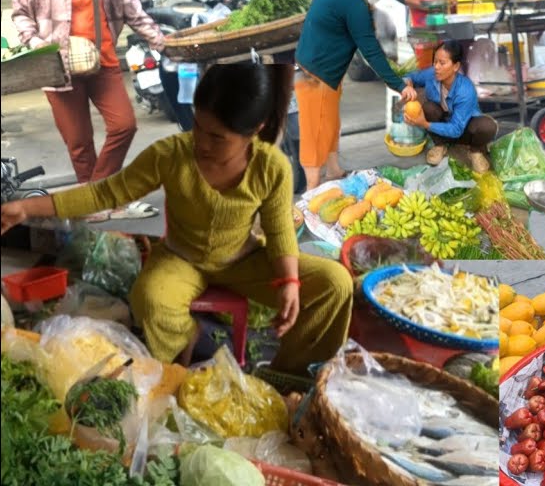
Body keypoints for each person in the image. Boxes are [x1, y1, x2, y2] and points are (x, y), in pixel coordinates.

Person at [0, 65, 354, 376]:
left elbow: (279, 232)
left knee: (335, 283)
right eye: (198, 126)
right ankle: (183, 343)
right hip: (181, 258)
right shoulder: (170, 155)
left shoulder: (270, 166)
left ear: (255, 131)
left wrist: (289, 280)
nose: (201, 142)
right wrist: (27, 208)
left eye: (218, 137)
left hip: (244, 261)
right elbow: (104, 194)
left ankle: (289, 374)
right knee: (150, 299)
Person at [12, 0, 167, 218]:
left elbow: (133, 11)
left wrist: (162, 41)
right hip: (57, 69)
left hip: (104, 64)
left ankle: (95, 195)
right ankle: (99, 200)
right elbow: (20, 14)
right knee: (79, 141)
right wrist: (38, 45)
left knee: (125, 125)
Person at [295, 0, 415, 191]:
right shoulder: (354, 4)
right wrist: (397, 84)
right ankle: (312, 189)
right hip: (317, 74)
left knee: (330, 123)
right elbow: (370, 49)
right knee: (315, 130)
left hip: (323, 70)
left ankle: (334, 171)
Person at [400, 40, 496, 173]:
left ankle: (475, 151)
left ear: (456, 66)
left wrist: (425, 124)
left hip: (463, 130)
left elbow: (457, 129)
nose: (437, 67)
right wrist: (407, 84)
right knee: (429, 108)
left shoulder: (465, 89)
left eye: (442, 63)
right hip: (442, 124)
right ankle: (440, 145)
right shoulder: (432, 74)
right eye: (435, 62)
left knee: (487, 126)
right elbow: (411, 77)